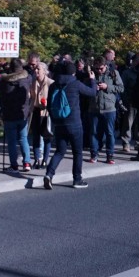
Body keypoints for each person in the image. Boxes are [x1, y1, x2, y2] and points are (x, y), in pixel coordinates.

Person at [43, 61, 97, 189]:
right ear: (73, 72)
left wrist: (55, 120)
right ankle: (77, 179)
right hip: (74, 123)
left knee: (60, 151)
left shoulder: (53, 86)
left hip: (59, 124)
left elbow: (49, 105)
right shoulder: (76, 84)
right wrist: (93, 80)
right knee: (77, 152)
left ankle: (49, 174)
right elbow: (92, 93)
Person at [0, 58, 32, 173]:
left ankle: (14, 165)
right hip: (23, 113)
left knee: (11, 141)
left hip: (9, 114)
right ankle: (27, 162)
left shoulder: (4, 82)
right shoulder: (27, 79)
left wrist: (4, 74)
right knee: (23, 138)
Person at [87, 56, 123, 164]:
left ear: (105, 66)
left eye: (101, 68)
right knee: (94, 132)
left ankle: (110, 155)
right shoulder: (91, 74)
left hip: (109, 108)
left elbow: (121, 88)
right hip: (94, 108)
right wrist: (92, 84)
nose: (99, 70)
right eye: (97, 68)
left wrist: (107, 86)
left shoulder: (113, 73)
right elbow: (85, 88)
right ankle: (94, 154)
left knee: (109, 133)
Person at [30, 62, 53, 169]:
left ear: (44, 71)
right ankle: (36, 159)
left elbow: (54, 98)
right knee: (35, 137)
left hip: (46, 113)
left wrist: (48, 103)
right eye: (35, 69)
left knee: (46, 136)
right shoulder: (33, 82)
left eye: (38, 69)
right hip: (35, 111)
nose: (36, 71)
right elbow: (30, 97)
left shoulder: (50, 83)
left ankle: (45, 160)